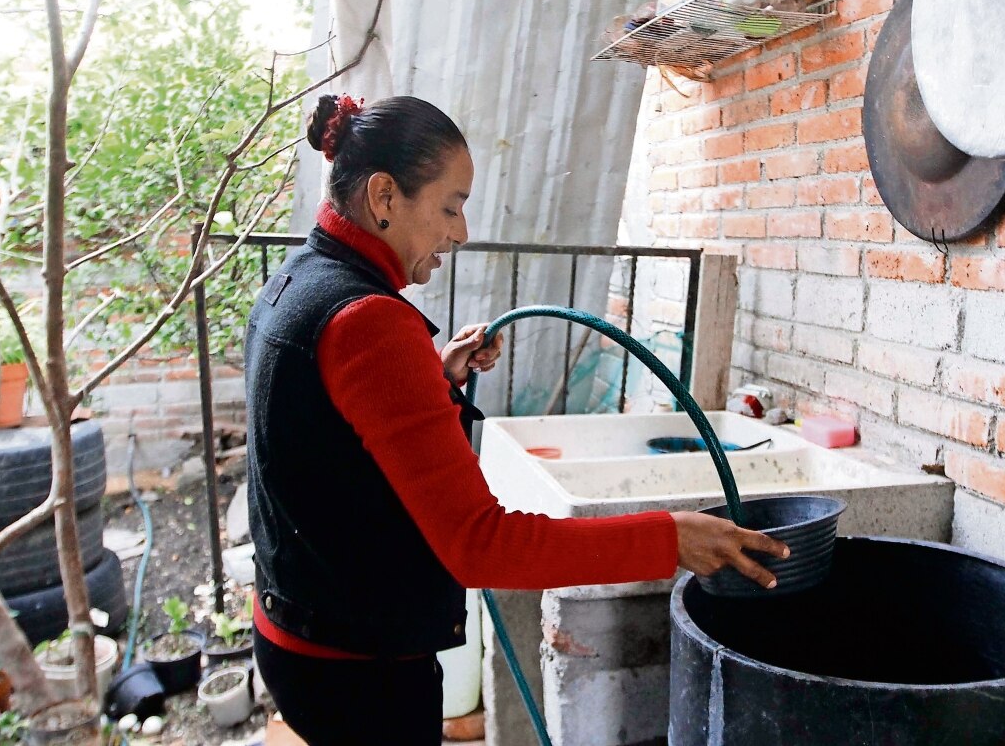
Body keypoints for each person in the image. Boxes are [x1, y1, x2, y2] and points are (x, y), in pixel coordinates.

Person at [246, 94, 788, 744]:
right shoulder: (371, 324)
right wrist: (670, 538)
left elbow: (323, 432)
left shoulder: (298, 280)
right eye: (451, 207)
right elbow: (481, 545)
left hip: (297, 633)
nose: (461, 232)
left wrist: (434, 376)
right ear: (385, 195)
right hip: (358, 672)